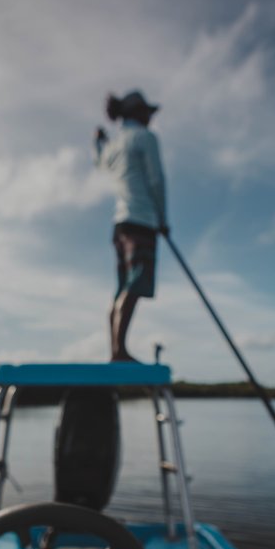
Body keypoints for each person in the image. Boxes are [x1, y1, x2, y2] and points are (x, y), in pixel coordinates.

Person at [93, 90, 169, 362]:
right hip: (142, 222)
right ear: (138, 112)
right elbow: (156, 180)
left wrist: (99, 144)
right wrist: (163, 220)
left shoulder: (115, 145)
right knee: (133, 285)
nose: (150, 116)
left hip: (120, 226)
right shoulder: (146, 138)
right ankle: (119, 351)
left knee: (123, 287)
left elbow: (100, 163)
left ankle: (116, 349)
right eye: (147, 111)